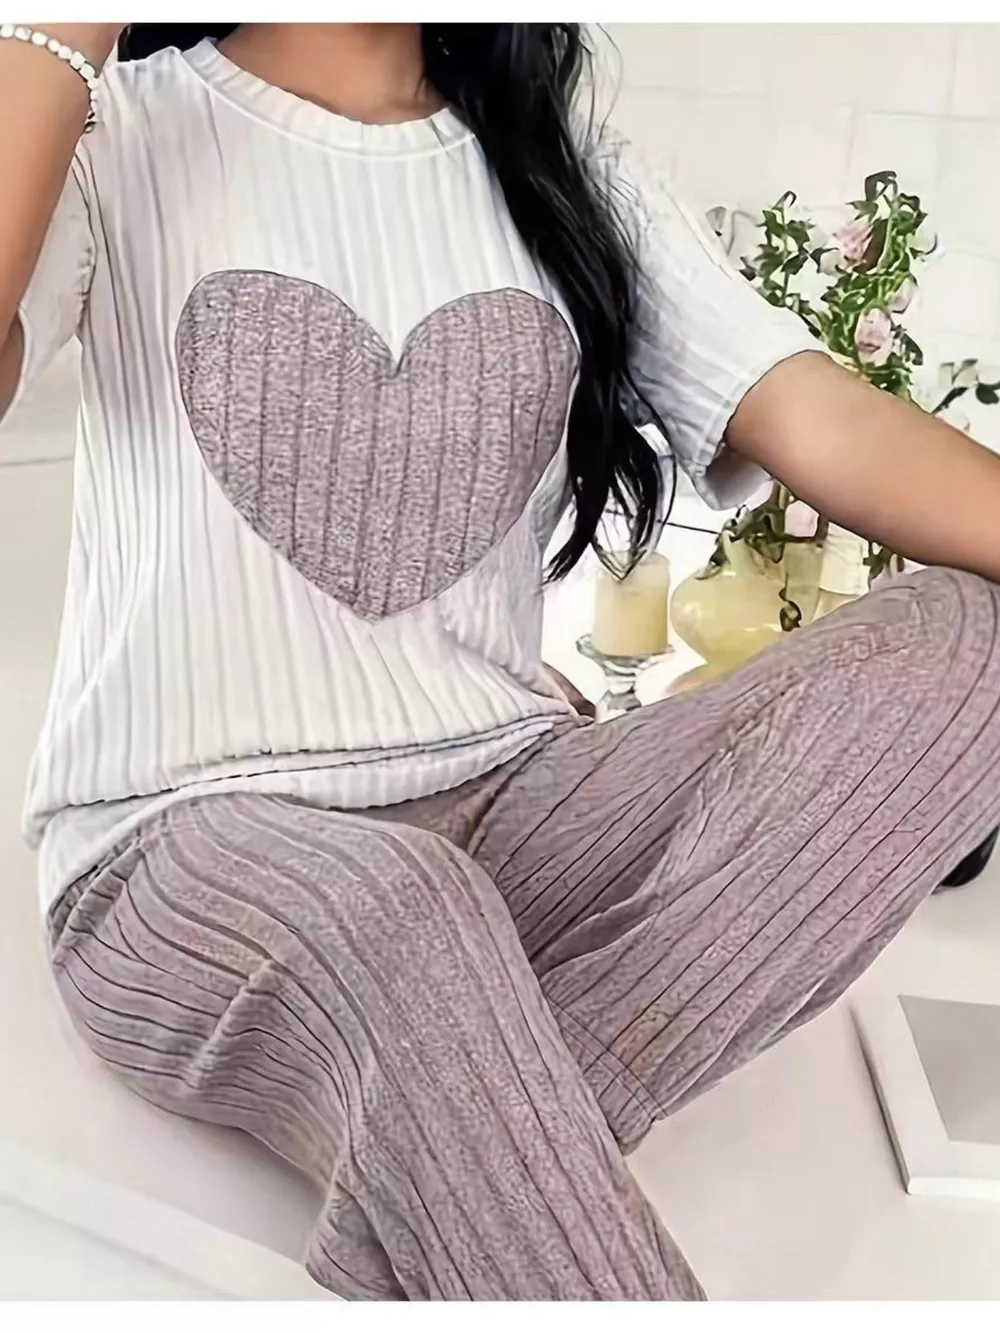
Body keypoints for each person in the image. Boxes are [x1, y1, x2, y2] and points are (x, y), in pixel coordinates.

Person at [3, 21, 1000, 1303]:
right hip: (179, 838)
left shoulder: (557, 164)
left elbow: (821, 416)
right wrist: (58, 32)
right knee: (408, 908)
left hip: (510, 804)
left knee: (972, 643)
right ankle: (483, 1161)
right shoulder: (109, 129)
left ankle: (458, 1160)